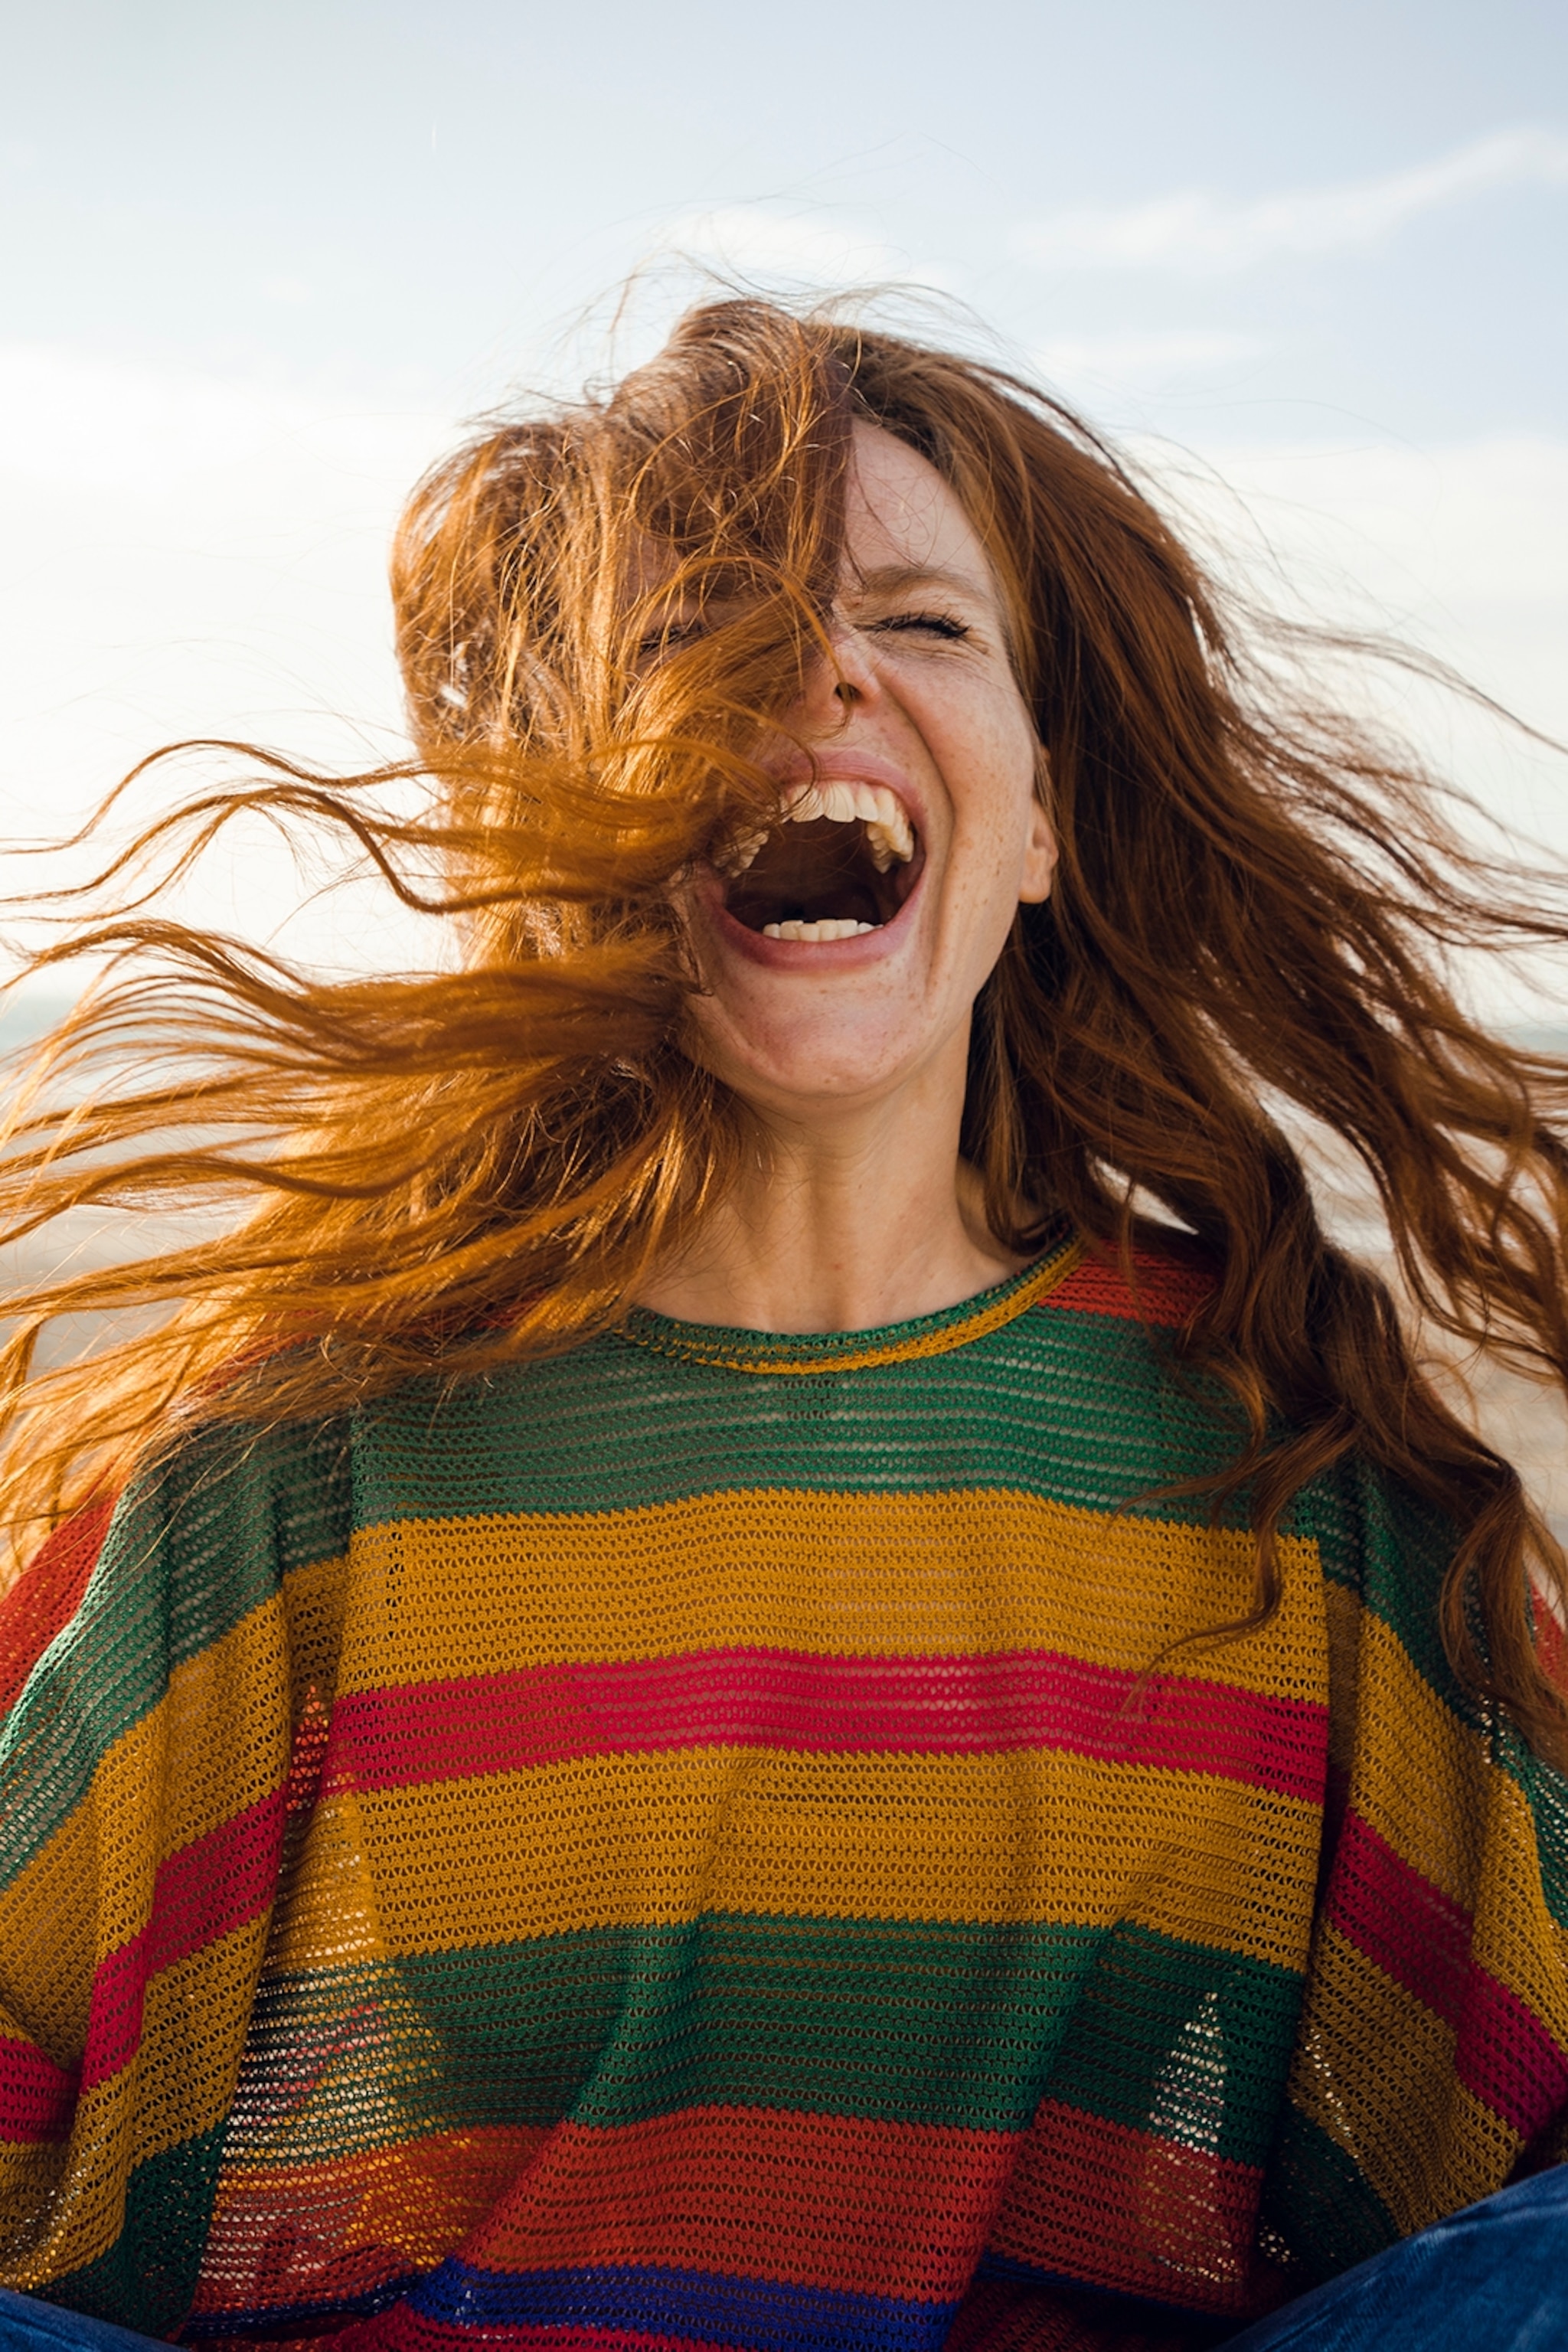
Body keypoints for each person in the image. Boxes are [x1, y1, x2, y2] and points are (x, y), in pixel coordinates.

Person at [0, 299, 1565, 2352]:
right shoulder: (302, 1457)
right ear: (581, 816)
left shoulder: (1293, 1467)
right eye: (693, 637)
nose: (816, 670)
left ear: (1045, 825)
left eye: (923, 625)